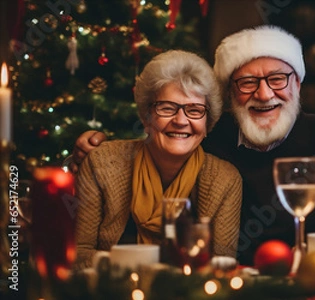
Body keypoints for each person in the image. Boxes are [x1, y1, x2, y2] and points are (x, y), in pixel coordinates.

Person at [70, 25, 315, 265]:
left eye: (278, 78)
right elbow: (167, 132)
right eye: (247, 82)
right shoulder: (211, 141)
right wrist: (99, 147)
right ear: (231, 93)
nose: (264, 93)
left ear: (298, 85)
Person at [74, 50, 242, 269]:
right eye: (167, 108)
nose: (181, 121)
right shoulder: (102, 162)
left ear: (207, 124)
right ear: (146, 118)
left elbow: (221, 266)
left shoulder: (225, 179)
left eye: (194, 110)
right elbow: (77, 253)